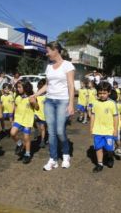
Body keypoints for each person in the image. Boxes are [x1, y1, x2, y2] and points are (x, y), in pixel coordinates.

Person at [34, 41, 75, 171]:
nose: (47, 54)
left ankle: (66, 154)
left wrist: (71, 104)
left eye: (48, 51)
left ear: (56, 50)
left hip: (63, 101)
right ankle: (53, 159)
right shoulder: (49, 67)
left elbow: (70, 85)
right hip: (49, 101)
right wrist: (35, 94)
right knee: (51, 132)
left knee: (59, 131)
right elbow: (47, 85)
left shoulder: (68, 65)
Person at [90, 82, 119, 172]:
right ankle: (100, 164)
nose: (102, 95)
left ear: (109, 92)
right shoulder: (95, 103)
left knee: (109, 148)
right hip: (98, 130)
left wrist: (115, 130)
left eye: (104, 93)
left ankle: (110, 157)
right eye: (100, 93)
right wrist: (91, 127)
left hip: (109, 131)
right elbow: (93, 115)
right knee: (98, 147)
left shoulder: (112, 104)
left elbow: (116, 117)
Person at [10, 80, 38, 164]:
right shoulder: (17, 97)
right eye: (17, 87)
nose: (18, 89)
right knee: (12, 133)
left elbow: (37, 108)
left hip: (27, 120)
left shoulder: (31, 97)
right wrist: (12, 116)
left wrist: (34, 103)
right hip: (18, 119)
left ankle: (27, 154)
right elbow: (15, 107)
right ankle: (19, 144)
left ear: (25, 88)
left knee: (26, 138)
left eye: (19, 87)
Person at [34, 79, 47, 148]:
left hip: (44, 115)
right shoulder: (36, 95)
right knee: (32, 120)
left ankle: (42, 140)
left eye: (40, 88)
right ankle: (36, 129)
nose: (39, 90)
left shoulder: (46, 97)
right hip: (36, 114)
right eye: (38, 88)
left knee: (43, 128)